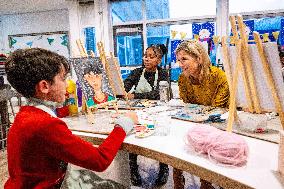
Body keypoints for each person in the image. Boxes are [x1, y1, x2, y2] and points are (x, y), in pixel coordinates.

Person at [4, 48, 138, 189]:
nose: (68, 84)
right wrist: (124, 123)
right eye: (63, 79)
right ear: (44, 86)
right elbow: (100, 160)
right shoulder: (44, 124)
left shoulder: (26, 114)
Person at [174, 40, 230, 189]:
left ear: (199, 58)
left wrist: (195, 114)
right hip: (197, 123)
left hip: (218, 127)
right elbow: (188, 107)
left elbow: (216, 110)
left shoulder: (219, 76)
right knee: (176, 142)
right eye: (178, 60)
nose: (180, 64)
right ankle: (177, 181)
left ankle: (206, 182)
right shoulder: (182, 79)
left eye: (184, 59)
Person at [123, 44, 170, 187]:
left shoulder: (163, 74)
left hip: (157, 112)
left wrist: (135, 95)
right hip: (139, 112)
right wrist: (122, 90)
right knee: (134, 137)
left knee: (160, 140)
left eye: (151, 56)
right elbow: (125, 87)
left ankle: (163, 168)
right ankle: (133, 169)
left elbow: (159, 94)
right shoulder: (137, 72)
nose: (146, 59)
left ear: (159, 60)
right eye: (145, 56)